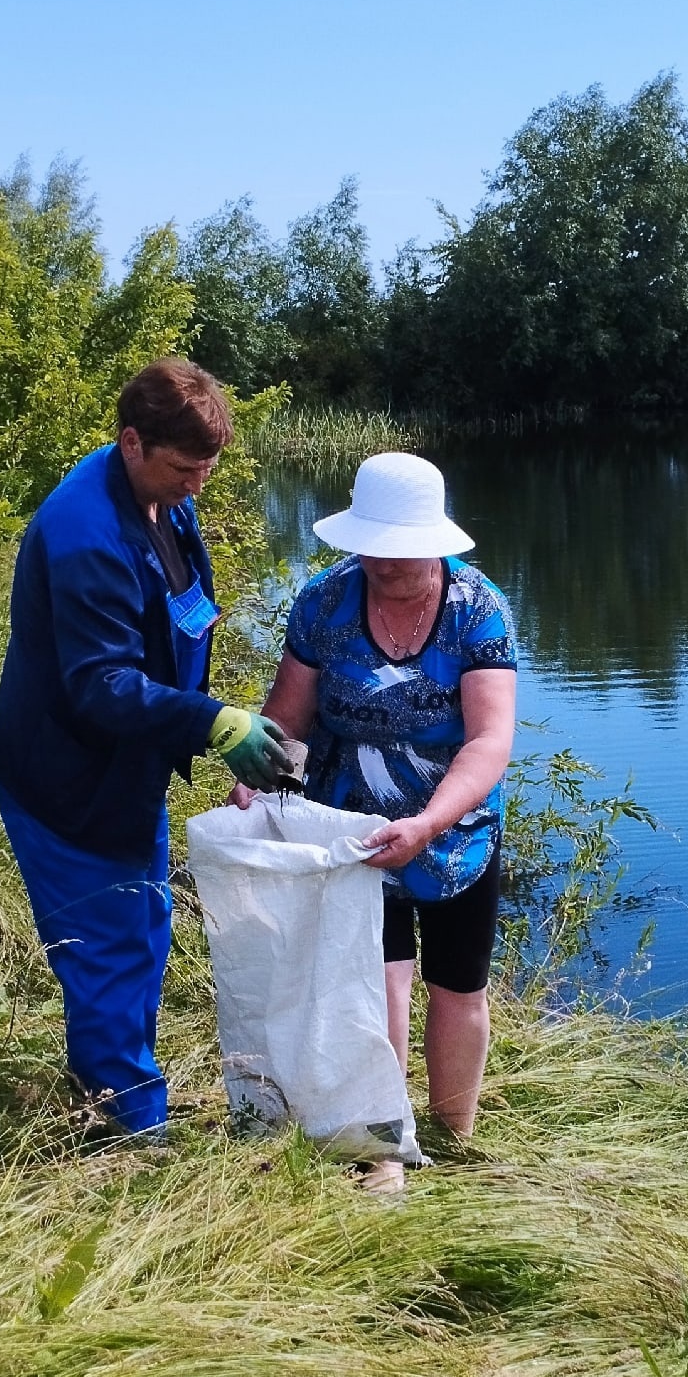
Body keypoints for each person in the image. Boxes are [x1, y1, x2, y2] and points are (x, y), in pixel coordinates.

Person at [0, 360, 295, 1137]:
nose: (198, 486)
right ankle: (132, 1141)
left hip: (129, 771)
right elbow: (101, 685)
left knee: (144, 935)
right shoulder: (86, 533)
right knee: (108, 954)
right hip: (69, 781)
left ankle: (110, 1095)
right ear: (131, 442)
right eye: (185, 469)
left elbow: (180, 610)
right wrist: (215, 722)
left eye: (208, 470)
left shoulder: (159, 497)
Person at [240, 452, 518, 1154]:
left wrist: (428, 822)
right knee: (378, 990)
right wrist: (258, 775)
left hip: (454, 833)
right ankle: (386, 1146)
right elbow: (288, 718)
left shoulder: (478, 611)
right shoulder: (324, 602)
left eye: (398, 550)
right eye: (371, 547)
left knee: (459, 990)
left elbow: (488, 741)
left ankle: (454, 1139)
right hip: (354, 833)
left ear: (434, 541)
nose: (382, 563)